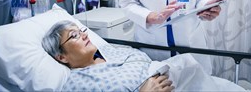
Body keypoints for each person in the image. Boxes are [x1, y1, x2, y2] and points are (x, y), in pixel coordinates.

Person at [42, 20, 174, 92]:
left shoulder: (108, 51)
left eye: (81, 31)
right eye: (74, 35)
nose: (85, 35)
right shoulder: (75, 85)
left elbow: (139, 56)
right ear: (62, 57)